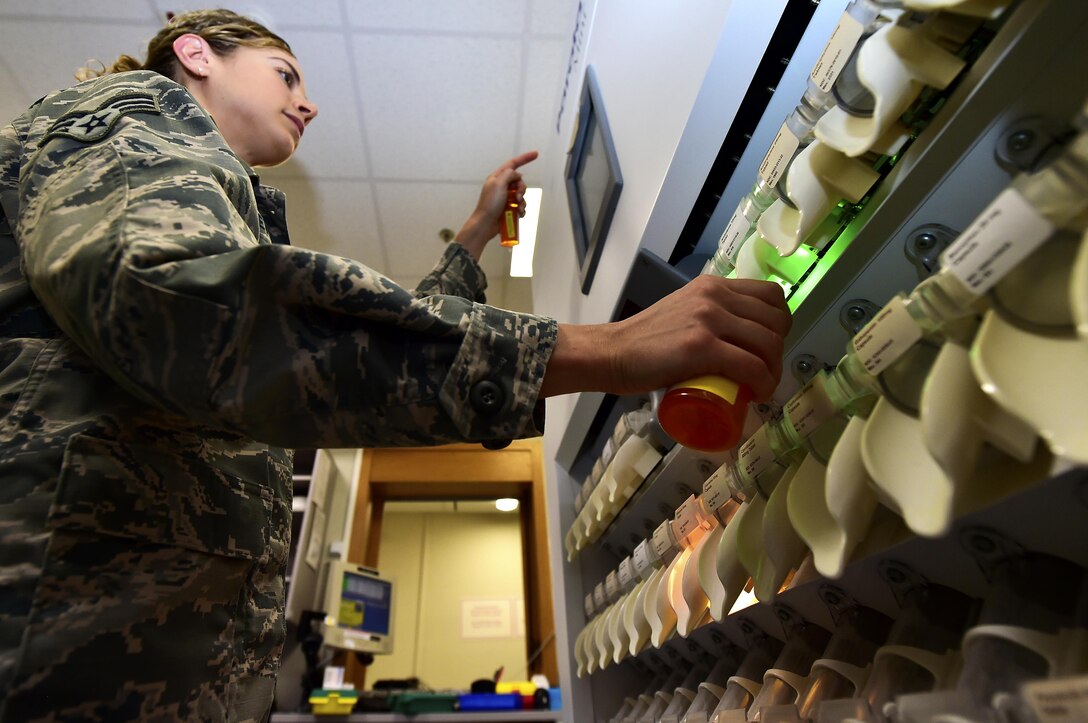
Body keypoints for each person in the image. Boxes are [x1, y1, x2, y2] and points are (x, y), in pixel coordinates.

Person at [0, 9, 791, 722]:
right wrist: (600, 349)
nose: (307, 103)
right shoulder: (128, 116)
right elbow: (180, 304)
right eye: (287, 75)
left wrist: (477, 235)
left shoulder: (225, 203)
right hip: (59, 650)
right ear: (196, 53)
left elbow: (327, 349)